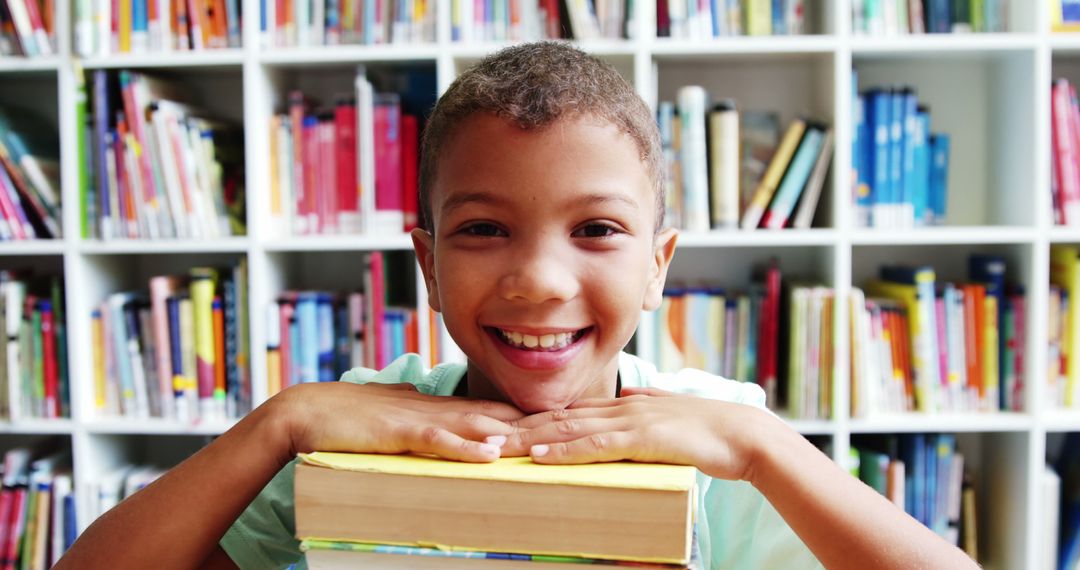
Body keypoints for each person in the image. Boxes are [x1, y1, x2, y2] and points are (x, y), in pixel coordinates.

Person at [57, 42, 977, 569]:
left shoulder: (720, 448)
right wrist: (278, 422)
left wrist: (763, 448)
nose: (539, 281)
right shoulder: (348, 428)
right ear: (426, 262)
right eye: (485, 230)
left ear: (660, 266)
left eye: (599, 231)